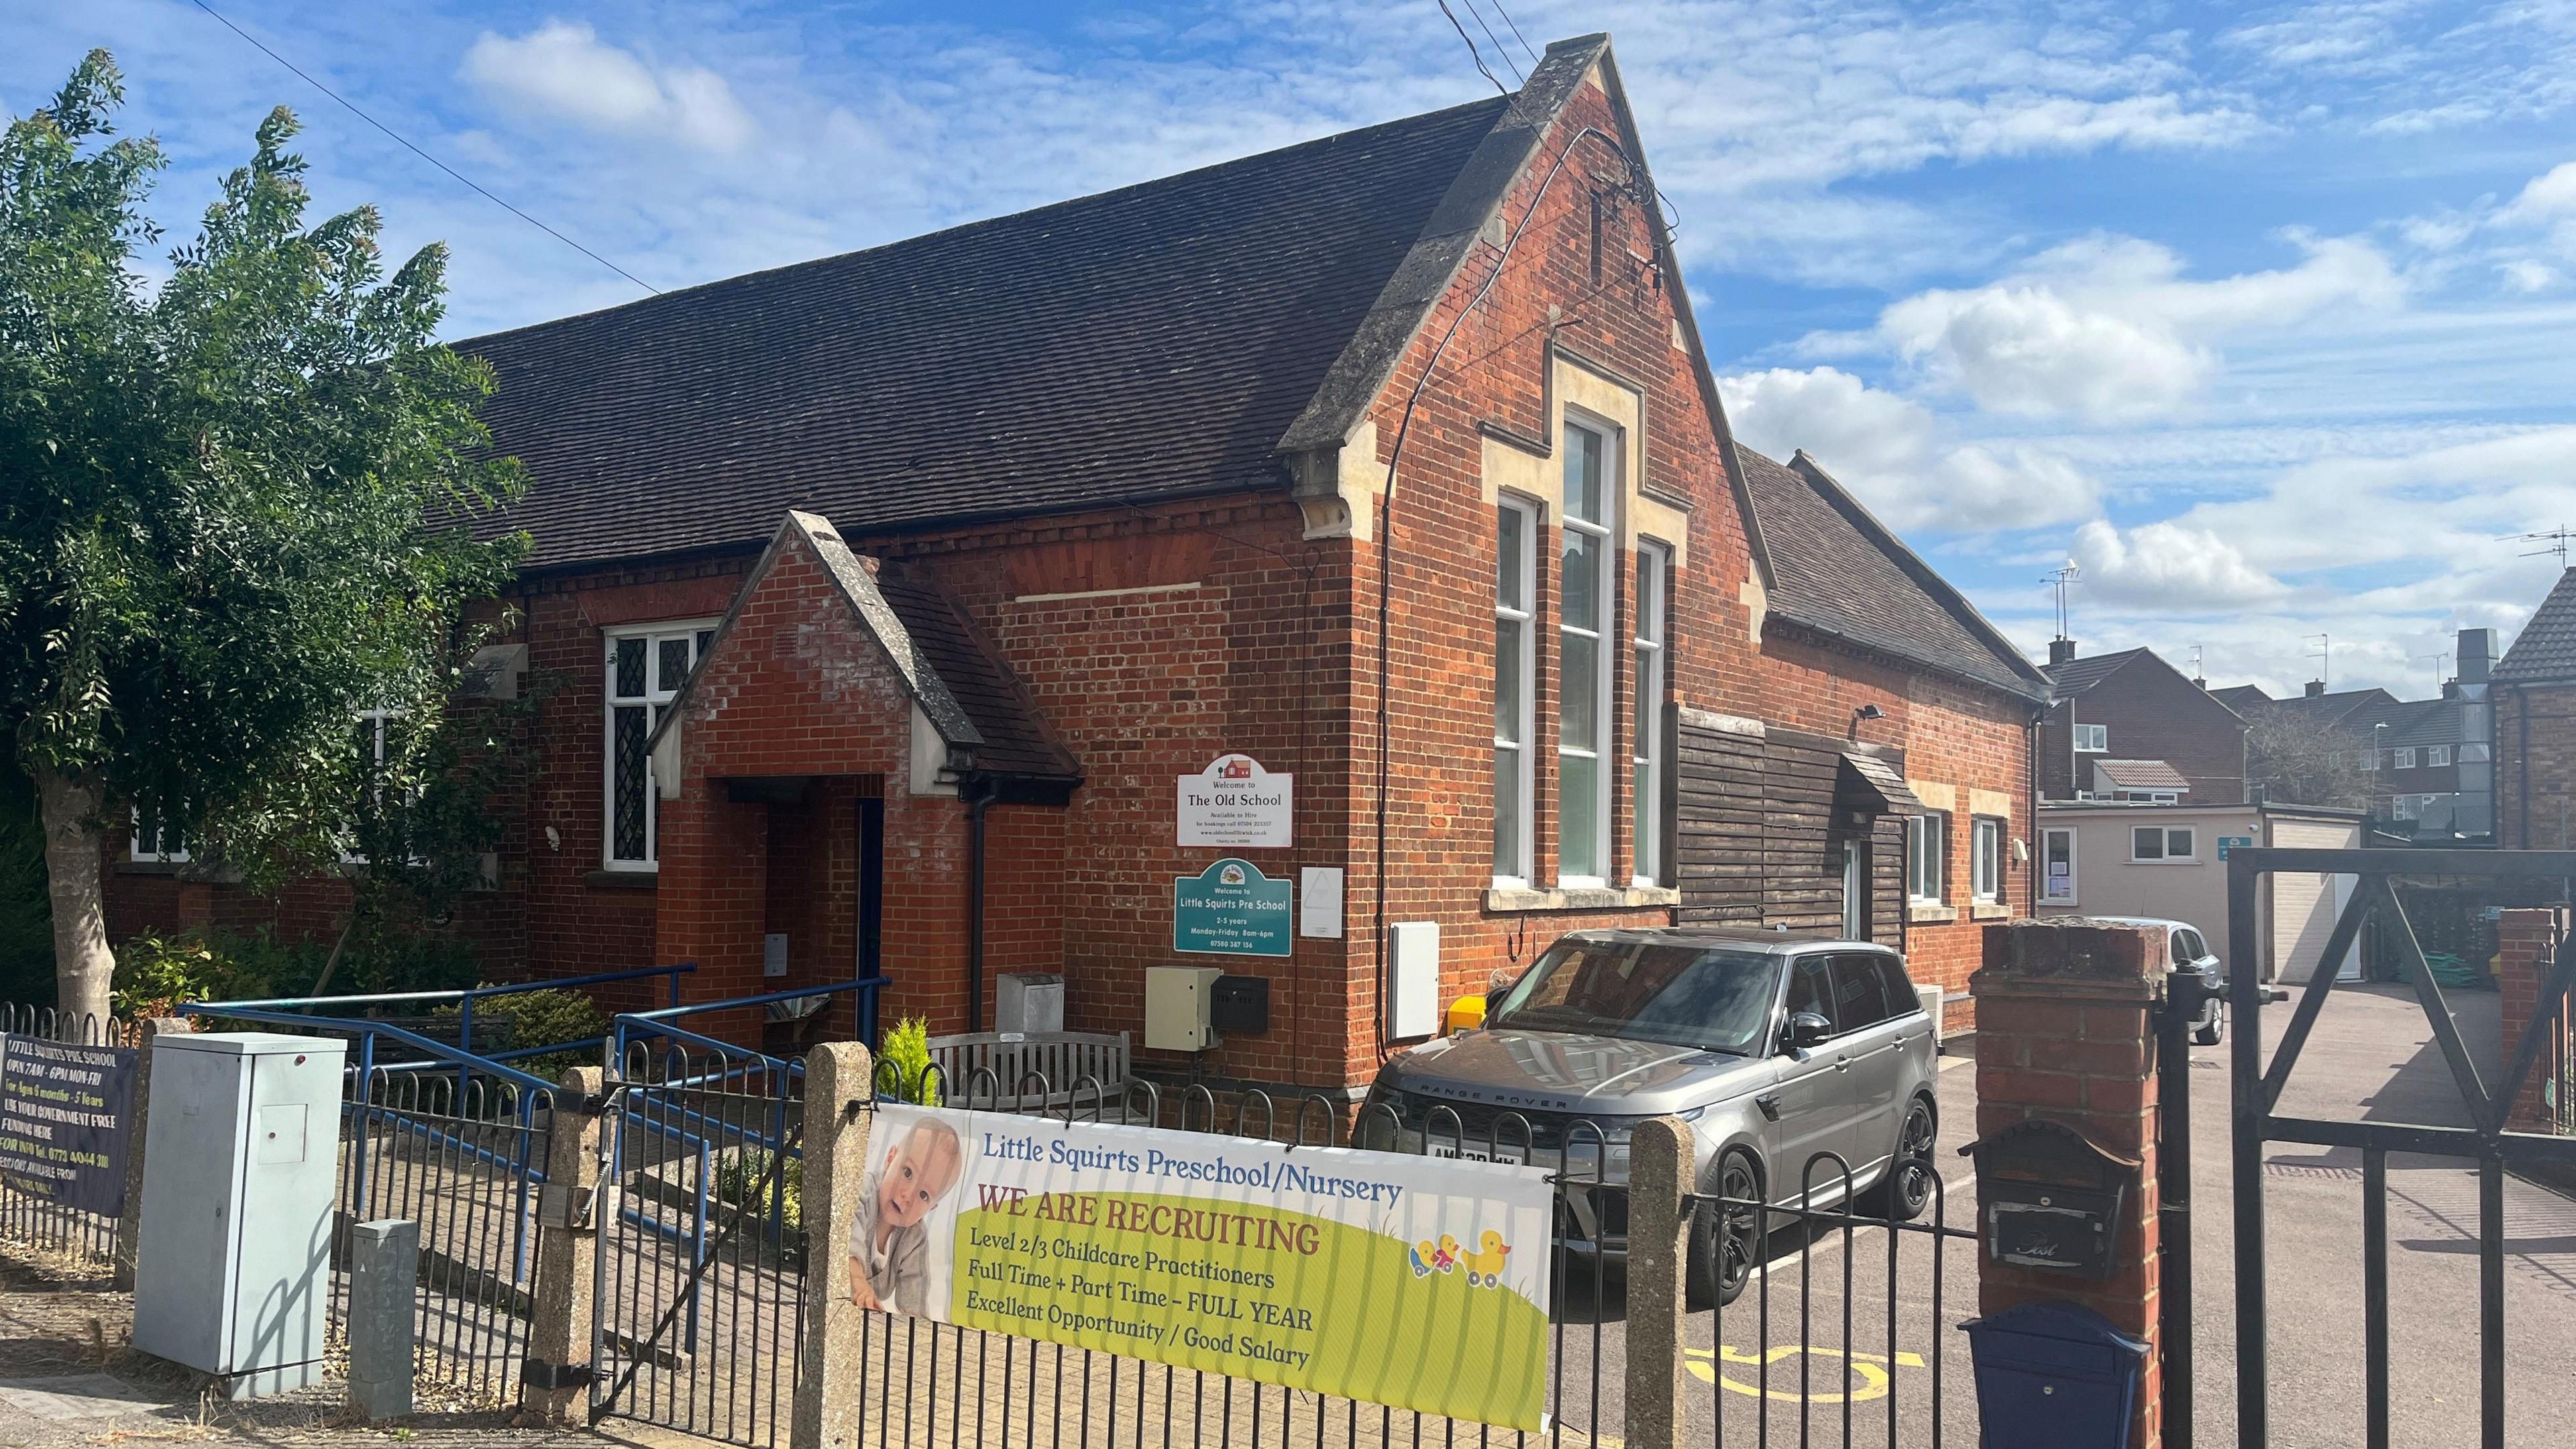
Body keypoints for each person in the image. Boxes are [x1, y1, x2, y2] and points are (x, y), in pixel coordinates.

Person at [850, 1116, 962, 1316]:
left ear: (931, 1209)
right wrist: (858, 1283)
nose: (908, 1196)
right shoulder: (865, 1192)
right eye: (908, 1173)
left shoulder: (914, 1237)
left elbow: (915, 1293)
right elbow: (850, 1240)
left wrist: (916, 1322)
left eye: (924, 1195)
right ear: (890, 1159)